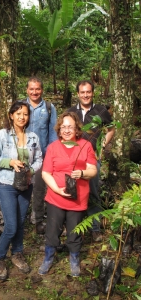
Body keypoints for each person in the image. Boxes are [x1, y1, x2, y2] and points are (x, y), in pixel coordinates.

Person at [0, 101, 42, 280]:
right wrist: (9, 162)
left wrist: (31, 171)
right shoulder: (1, 135)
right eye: (18, 114)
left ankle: (17, 253)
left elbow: (39, 159)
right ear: (11, 115)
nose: (21, 117)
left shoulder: (33, 137)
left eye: (25, 114)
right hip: (6, 184)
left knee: (20, 221)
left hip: (26, 184)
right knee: (11, 225)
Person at [38, 112, 97, 277]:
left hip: (78, 199)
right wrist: (57, 189)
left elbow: (93, 169)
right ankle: (49, 257)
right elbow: (46, 173)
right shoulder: (53, 147)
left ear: (77, 128)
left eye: (70, 126)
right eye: (63, 127)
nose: (66, 130)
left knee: (75, 230)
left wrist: (82, 173)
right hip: (56, 197)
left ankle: (74, 258)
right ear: (59, 129)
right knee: (52, 229)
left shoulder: (85, 146)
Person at [68, 80, 115, 242]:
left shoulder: (101, 110)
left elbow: (111, 128)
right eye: (82, 92)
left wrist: (102, 145)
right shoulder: (71, 111)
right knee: (75, 192)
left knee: (93, 192)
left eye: (88, 92)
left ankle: (95, 228)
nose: (85, 95)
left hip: (92, 159)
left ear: (93, 93)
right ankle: (77, 227)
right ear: (78, 94)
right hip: (74, 159)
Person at [25, 76, 58, 234]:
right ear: (27, 90)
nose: (34, 92)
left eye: (37, 89)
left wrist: (51, 154)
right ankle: (16, 219)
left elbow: (53, 132)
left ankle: (37, 219)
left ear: (42, 90)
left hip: (41, 155)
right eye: (31, 89)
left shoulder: (49, 108)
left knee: (38, 188)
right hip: (22, 154)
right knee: (20, 186)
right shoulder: (21, 106)